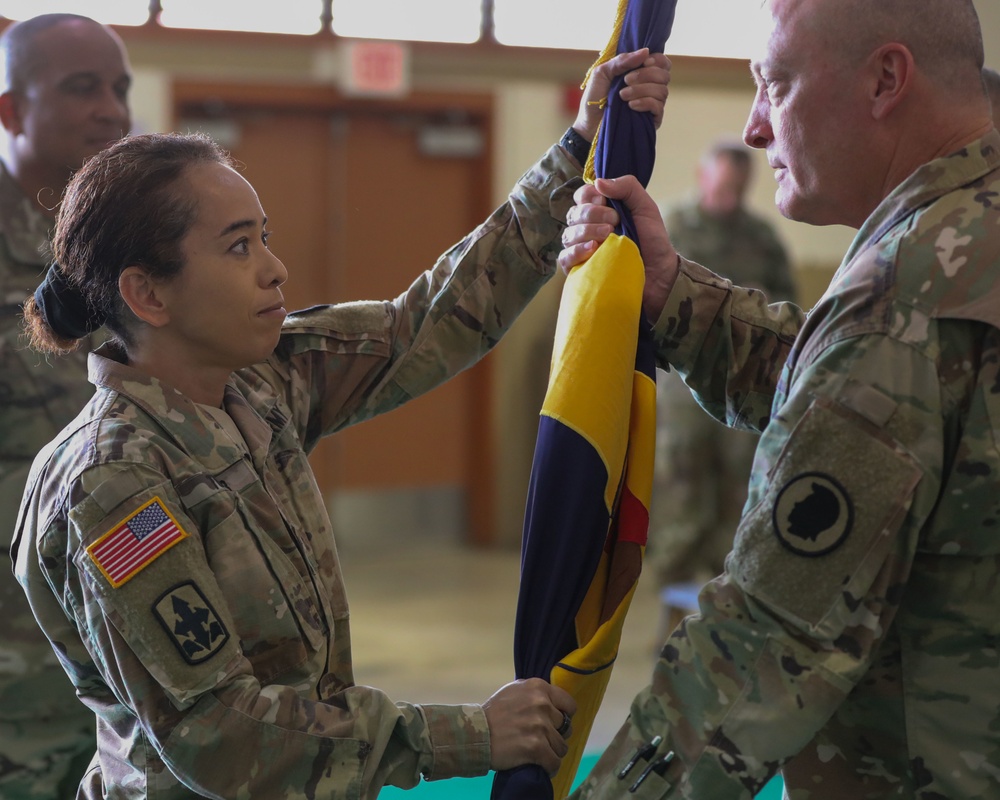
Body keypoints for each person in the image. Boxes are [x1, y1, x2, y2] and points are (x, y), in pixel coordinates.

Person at [9, 46, 670, 798]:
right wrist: (463, 734)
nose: (274, 268)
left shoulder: (256, 383)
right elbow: (221, 735)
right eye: (237, 247)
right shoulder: (116, 484)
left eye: (263, 235)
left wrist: (578, 148)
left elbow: (425, 324)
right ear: (147, 295)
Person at [557, 0, 1000, 796]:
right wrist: (675, 297)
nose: (756, 129)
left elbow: (763, 647)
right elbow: (901, 398)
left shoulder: (909, 292)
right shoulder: (968, 230)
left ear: (886, 79)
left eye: (776, 85)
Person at [0, 13, 131, 798]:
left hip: (122, 642)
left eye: (120, 88)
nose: (112, 110)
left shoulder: (129, 250)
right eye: (83, 88)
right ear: (12, 110)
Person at [648, 139, 796, 633]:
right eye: (724, 183)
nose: (731, 195)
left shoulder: (761, 238)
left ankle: (719, 610)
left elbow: (788, 307)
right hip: (680, 389)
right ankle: (671, 611)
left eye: (739, 186)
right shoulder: (671, 230)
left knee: (737, 492)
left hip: (745, 386)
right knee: (684, 490)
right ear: (702, 175)